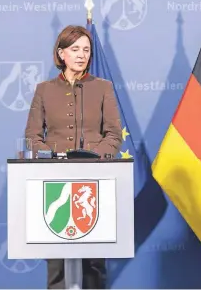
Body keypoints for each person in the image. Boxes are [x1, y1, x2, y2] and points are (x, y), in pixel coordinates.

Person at [25, 25, 123, 289]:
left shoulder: (103, 87)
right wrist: (50, 158)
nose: (81, 55)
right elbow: (33, 136)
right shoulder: (44, 90)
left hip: (95, 181)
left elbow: (114, 134)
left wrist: (96, 160)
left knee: (93, 260)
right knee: (56, 259)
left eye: (86, 50)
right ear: (61, 53)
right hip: (54, 183)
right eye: (75, 49)